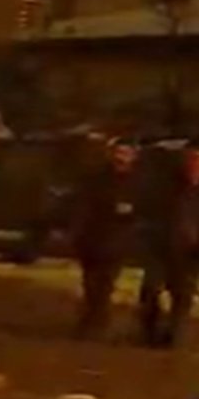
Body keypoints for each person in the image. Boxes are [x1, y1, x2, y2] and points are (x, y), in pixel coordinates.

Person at [135, 145, 199, 348]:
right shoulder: (166, 189)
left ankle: (173, 336)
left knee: (182, 298)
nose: (196, 168)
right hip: (160, 249)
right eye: (193, 162)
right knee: (151, 292)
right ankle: (149, 332)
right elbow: (148, 215)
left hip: (189, 255)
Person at [71, 139, 139, 339]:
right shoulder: (97, 178)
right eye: (118, 152)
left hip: (118, 240)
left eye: (126, 153)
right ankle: (91, 318)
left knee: (106, 284)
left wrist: (131, 213)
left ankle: (97, 320)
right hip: (93, 238)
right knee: (90, 283)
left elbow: (146, 209)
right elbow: (83, 206)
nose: (121, 157)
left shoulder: (137, 182)